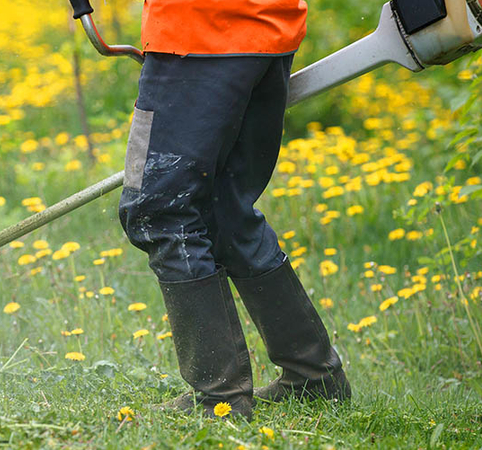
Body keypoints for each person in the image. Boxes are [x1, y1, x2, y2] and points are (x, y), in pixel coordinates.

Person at [118, 0, 351, 420]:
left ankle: (220, 398)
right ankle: (314, 377)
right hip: (266, 28)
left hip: (197, 30)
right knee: (226, 208)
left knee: (158, 210)